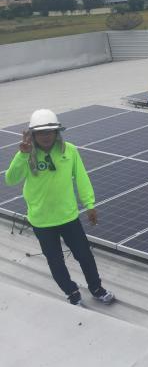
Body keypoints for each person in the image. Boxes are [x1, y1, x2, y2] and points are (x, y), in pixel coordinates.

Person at [4, 109, 115, 306]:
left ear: (57, 132)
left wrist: (89, 204)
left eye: (49, 131)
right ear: (33, 135)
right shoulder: (27, 154)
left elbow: (81, 178)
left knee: (85, 256)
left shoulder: (69, 151)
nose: (45, 136)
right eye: (40, 133)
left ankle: (96, 288)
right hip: (42, 221)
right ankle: (72, 292)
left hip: (68, 217)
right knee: (55, 261)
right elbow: (10, 179)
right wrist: (22, 154)